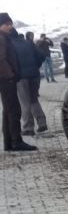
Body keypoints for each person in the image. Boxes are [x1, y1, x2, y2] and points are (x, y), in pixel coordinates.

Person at [0, 13, 36, 151]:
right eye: (7, 24)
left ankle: (9, 143)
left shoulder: (4, 37)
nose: (10, 27)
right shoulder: (1, 38)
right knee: (14, 110)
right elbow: (1, 59)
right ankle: (16, 142)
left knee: (7, 111)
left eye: (11, 24)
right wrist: (10, 75)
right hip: (5, 79)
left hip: (5, 78)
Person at [11, 30, 47, 135]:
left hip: (21, 77)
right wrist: (36, 66)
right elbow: (42, 55)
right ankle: (42, 123)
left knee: (25, 102)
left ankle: (28, 128)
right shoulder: (29, 43)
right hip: (35, 75)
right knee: (33, 99)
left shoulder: (10, 45)